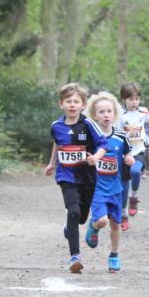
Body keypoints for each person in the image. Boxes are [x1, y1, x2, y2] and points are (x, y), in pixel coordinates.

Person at [43, 83, 107, 274]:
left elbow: (103, 144)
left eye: (76, 101)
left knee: (81, 217)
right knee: (73, 212)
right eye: (68, 101)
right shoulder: (56, 126)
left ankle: (70, 227)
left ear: (83, 105)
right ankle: (75, 257)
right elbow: (57, 144)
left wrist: (95, 157)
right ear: (61, 104)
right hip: (66, 176)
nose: (72, 105)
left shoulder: (88, 125)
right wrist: (51, 163)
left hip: (87, 177)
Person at [83, 91, 135, 273]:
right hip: (97, 187)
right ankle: (94, 226)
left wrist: (129, 158)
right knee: (103, 221)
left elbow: (128, 152)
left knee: (116, 224)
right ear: (94, 115)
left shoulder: (121, 135)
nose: (106, 115)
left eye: (109, 111)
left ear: (115, 113)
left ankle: (114, 255)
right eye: (101, 112)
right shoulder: (91, 136)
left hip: (116, 187)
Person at [117, 83, 149, 230]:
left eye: (137, 99)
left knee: (136, 171)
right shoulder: (119, 113)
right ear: (124, 99)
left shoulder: (144, 112)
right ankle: (124, 215)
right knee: (123, 189)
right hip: (124, 154)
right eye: (131, 99)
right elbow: (116, 134)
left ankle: (135, 197)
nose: (134, 102)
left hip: (139, 151)